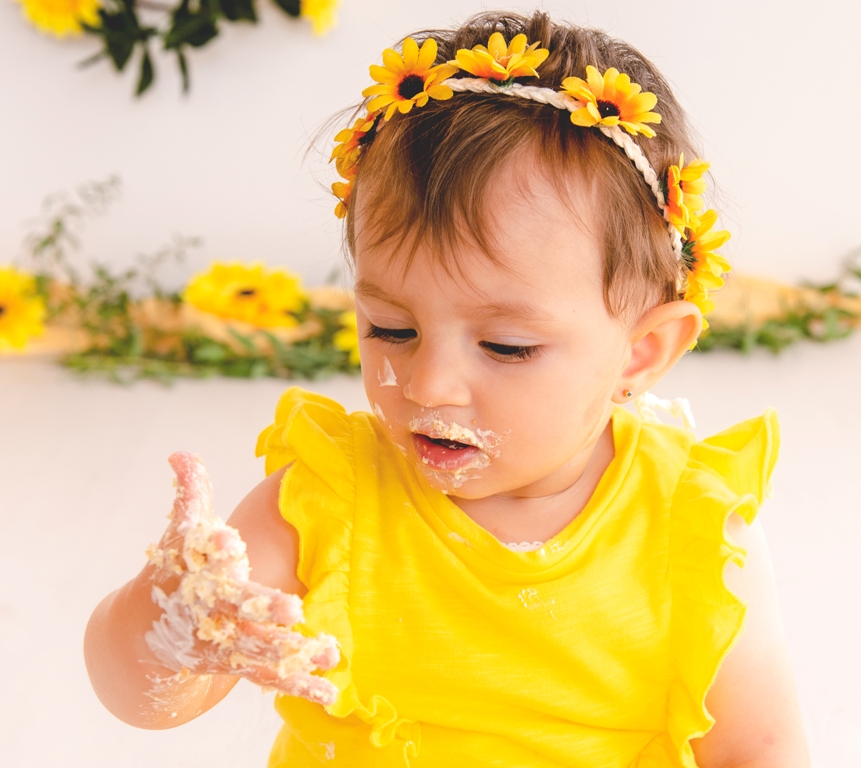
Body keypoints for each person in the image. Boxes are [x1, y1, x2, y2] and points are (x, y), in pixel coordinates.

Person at [84, 10, 811, 767]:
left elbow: (758, 748)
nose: (428, 383)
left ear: (640, 352)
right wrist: (167, 622)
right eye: (391, 328)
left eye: (506, 346)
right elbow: (141, 700)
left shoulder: (689, 524)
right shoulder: (324, 505)